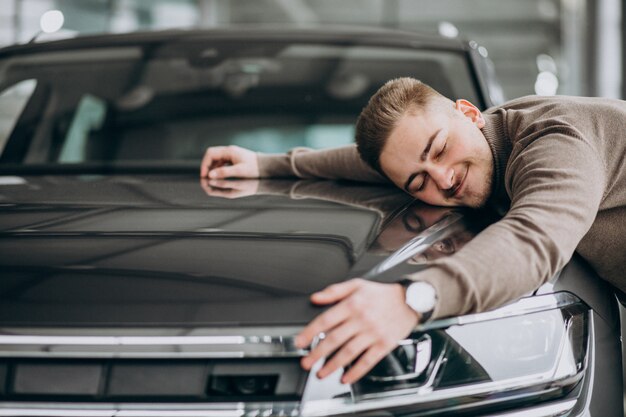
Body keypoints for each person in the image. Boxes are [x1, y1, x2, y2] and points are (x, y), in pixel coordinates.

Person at [200, 77, 626, 384]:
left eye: (438, 150)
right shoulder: (474, 143)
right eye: (417, 183)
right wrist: (267, 165)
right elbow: (366, 162)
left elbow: (534, 240)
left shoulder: (555, 141)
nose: (442, 179)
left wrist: (412, 297)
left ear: (470, 113)